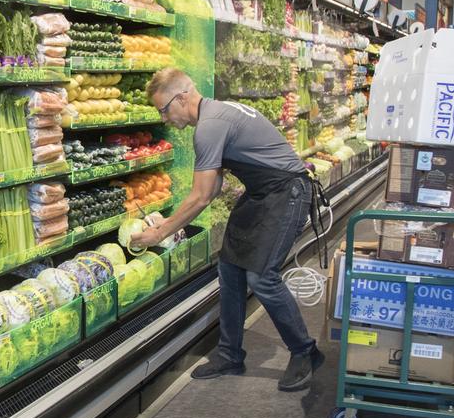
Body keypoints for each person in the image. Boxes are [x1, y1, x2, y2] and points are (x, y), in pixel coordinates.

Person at [130, 68, 325, 391]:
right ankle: (230, 353)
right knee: (231, 268)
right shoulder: (215, 114)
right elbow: (214, 184)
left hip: (286, 192)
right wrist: (170, 222)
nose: (164, 119)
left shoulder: (208, 127)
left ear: (181, 97)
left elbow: (203, 195)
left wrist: (159, 233)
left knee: (263, 277)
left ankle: (305, 351)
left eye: (163, 109)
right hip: (261, 193)